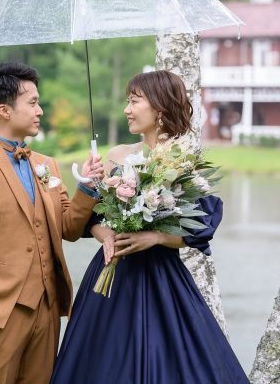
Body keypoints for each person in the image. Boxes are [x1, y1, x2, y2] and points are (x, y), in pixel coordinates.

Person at [50, 70, 249, 384]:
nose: (127, 109)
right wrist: (106, 237)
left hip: (161, 276)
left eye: (134, 101)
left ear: (159, 108)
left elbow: (199, 228)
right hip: (109, 275)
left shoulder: (182, 163)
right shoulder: (116, 157)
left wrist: (155, 236)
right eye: (127, 101)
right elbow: (92, 219)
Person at [0, 62, 105, 384]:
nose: (40, 110)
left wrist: (87, 187)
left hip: (48, 307)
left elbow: (69, 228)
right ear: (4, 110)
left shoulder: (48, 165)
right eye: (32, 102)